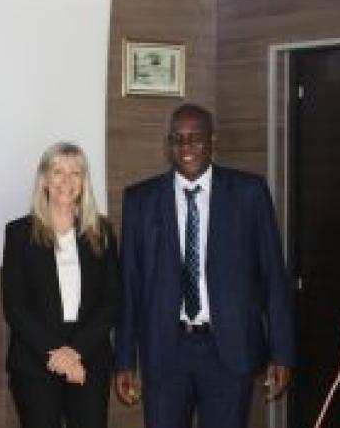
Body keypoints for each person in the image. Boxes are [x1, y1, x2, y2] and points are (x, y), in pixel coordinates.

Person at [114, 103, 295, 428]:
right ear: (168, 144)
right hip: (165, 352)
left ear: (213, 140)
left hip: (228, 349)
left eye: (195, 138)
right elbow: (129, 285)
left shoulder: (249, 194)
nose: (186, 148)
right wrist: (125, 359)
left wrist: (281, 353)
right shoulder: (140, 200)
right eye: (177, 139)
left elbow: (273, 278)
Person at [2, 142, 119, 428]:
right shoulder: (19, 233)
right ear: (44, 179)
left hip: (89, 355)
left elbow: (112, 301)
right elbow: (15, 307)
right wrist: (59, 355)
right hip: (35, 358)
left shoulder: (101, 232)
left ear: (84, 180)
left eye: (75, 173)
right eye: (58, 172)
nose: (66, 181)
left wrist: (75, 352)